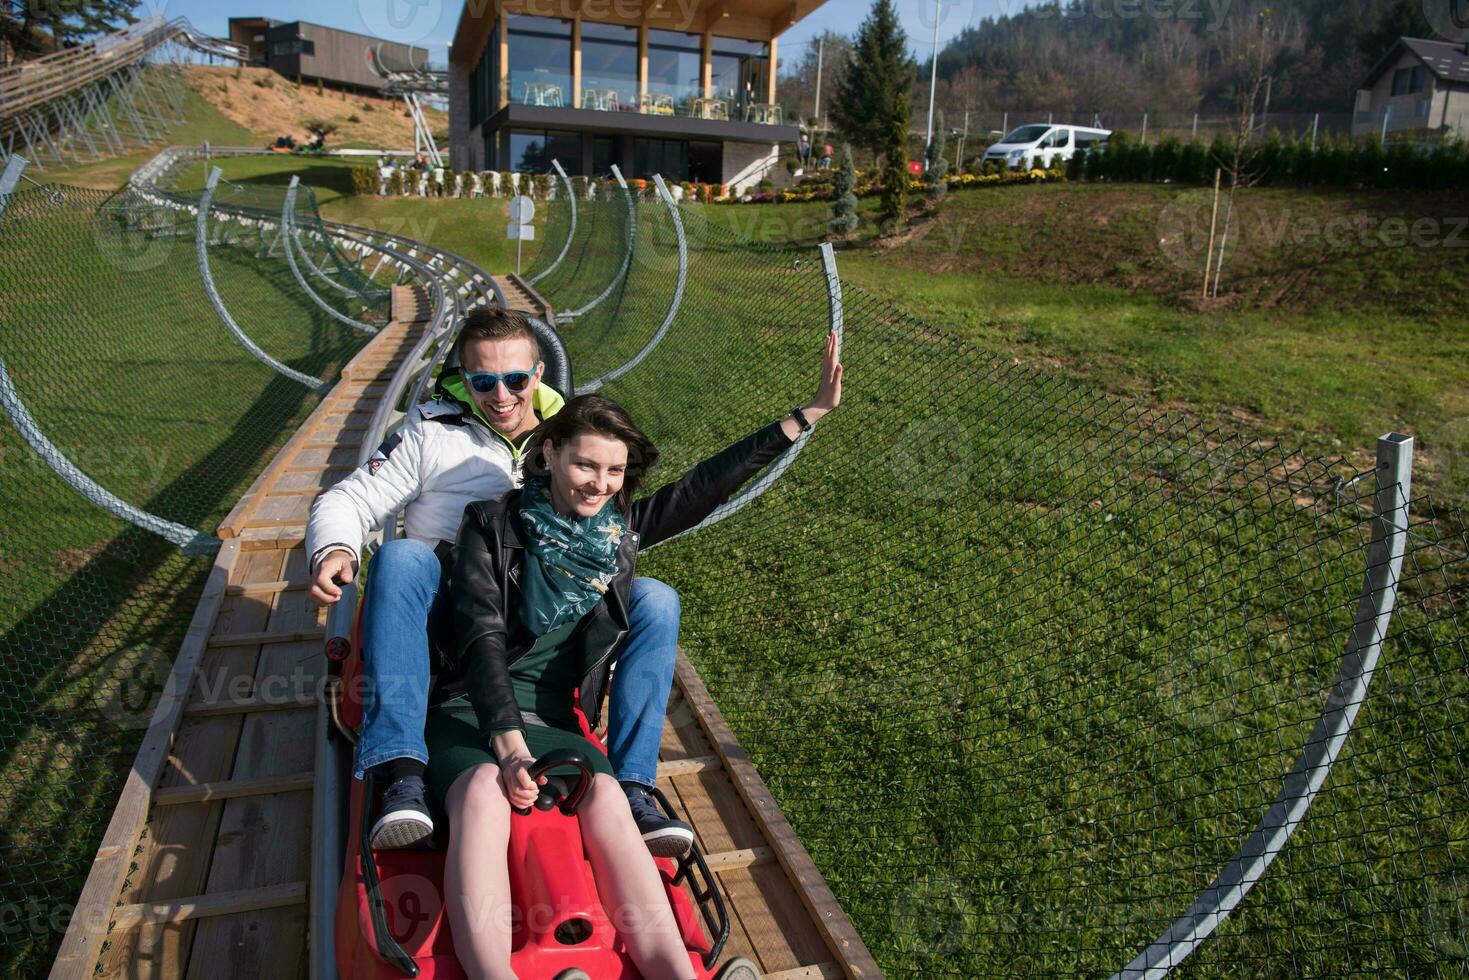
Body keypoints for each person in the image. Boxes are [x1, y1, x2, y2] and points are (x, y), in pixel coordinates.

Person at [435, 332, 843, 979]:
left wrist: (804, 417)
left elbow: (701, 487)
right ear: (549, 454)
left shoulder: (615, 539)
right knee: (485, 790)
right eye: (584, 465)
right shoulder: (492, 526)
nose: (599, 483)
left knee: (605, 797)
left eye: (614, 471)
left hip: (557, 719)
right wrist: (507, 745)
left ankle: (672, 972)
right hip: (471, 710)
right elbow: (481, 635)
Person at [307, 307, 694, 857]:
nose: (502, 395)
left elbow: (668, 503)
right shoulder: (430, 433)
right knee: (401, 560)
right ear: (463, 380)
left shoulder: (571, 436)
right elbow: (349, 497)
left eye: (516, 379)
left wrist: (798, 421)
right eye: (483, 381)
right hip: (452, 612)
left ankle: (636, 784)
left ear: (538, 375)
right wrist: (337, 547)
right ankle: (400, 768)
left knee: (654, 598)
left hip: (540, 612)